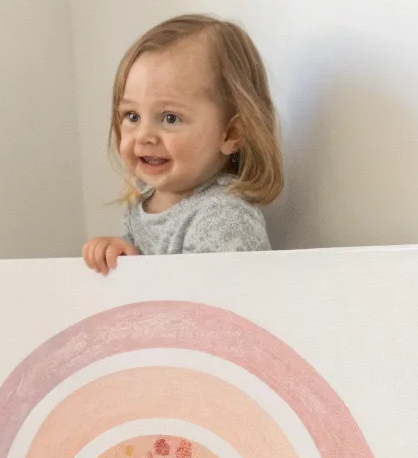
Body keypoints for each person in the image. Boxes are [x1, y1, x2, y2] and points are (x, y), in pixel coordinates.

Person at [82, 14, 283, 273]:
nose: (143, 136)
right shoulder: (143, 202)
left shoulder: (223, 217)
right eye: (132, 116)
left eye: (170, 118)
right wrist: (120, 253)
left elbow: (211, 296)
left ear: (231, 134)